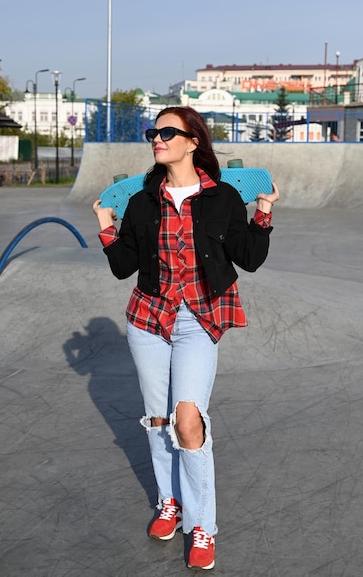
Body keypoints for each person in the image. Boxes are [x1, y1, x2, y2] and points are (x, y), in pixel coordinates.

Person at [92, 106, 279, 570]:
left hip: (199, 318)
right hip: (149, 318)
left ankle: (202, 526)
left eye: (168, 132)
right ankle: (169, 502)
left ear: (193, 140)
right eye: (153, 132)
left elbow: (249, 259)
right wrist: (105, 225)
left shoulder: (221, 199)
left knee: (188, 420)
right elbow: (123, 268)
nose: (157, 138)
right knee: (158, 420)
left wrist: (264, 212)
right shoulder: (142, 201)